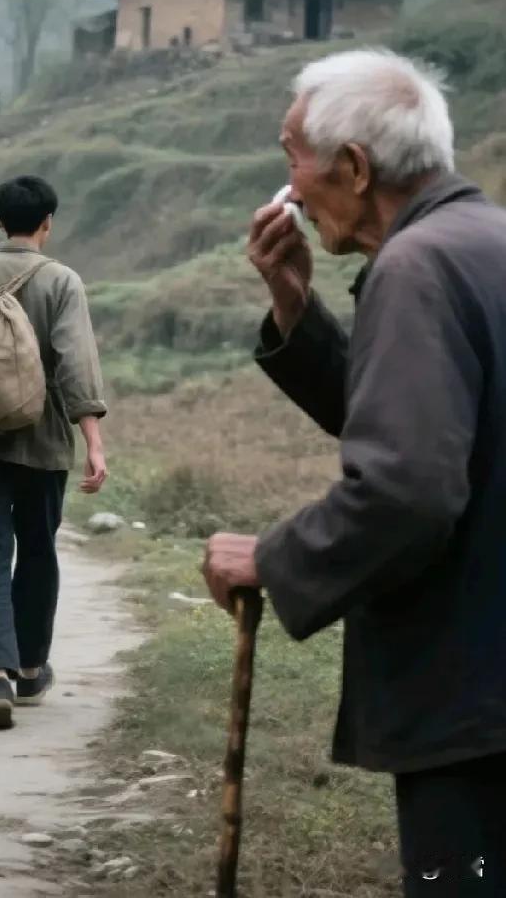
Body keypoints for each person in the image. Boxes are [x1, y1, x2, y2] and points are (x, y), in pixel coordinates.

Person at [201, 49, 506, 895]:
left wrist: (276, 556)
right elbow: (439, 427)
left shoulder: (416, 268)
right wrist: (297, 302)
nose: (288, 187)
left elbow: (410, 485)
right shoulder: (486, 243)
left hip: (476, 696)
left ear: (356, 167)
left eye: (292, 153)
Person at [0, 175, 107, 731]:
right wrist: (93, 441)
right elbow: (75, 362)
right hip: (42, 441)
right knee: (36, 551)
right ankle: (31, 669)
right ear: (47, 223)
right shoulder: (61, 281)